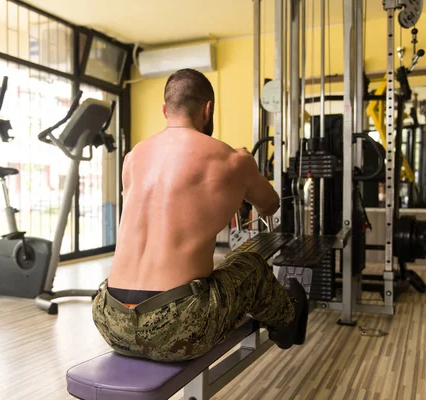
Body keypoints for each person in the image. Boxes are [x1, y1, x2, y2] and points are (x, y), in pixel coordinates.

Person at [92, 68, 308, 362]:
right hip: (176, 326)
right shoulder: (232, 159)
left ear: (165, 110)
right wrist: (243, 177)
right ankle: (286, 323)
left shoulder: (132, 158)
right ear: (208, 109)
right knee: (250, 265)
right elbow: (269, 205)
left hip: (110, 320)